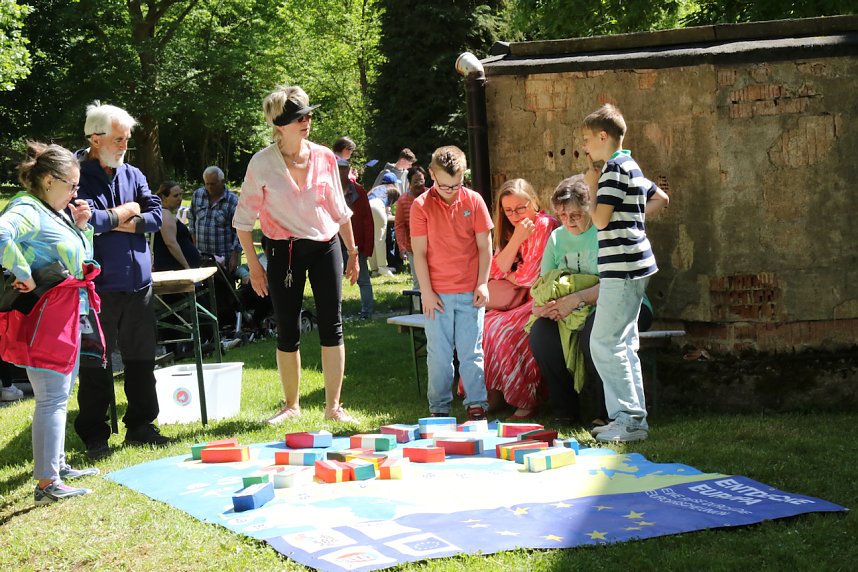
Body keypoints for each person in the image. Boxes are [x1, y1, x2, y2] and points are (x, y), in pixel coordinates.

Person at [233, 84, 360, 424]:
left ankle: (334, 408)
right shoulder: (261, 163)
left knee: (332, 325)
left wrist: (353, 251)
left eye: (308, 115)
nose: (307, 122)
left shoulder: (324, 157)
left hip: (325, 246)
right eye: (298, 118)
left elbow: (339, 209)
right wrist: (254, 268)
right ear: (279, 124)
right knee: (287, 329)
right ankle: (291, 406)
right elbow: (243, 222)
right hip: (283, 251)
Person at [0, 142, 100, 503]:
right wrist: (22, 271)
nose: (75, 192)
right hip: (44, 316)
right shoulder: (27, 208)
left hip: (64, 313)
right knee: (52, 398)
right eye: (71, 185)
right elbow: (1, 233)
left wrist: (82, 227)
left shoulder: (52, 210)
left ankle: (57, 466)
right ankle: (47, 483)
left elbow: (79, 259)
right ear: (47, 180)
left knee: (60, 393)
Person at [73, 102, 168, 460]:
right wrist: (130, 210)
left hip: (139, 285)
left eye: (127, 139)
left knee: (142, 360)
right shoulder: (76, 175)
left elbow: (157, 215)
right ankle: (95, 434)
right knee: (95, 363)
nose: (125, 146)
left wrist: (120, 219)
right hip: (97, 288)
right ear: (95, 139)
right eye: (119, 139)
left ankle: (141, 426)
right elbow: (88, 221)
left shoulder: (133, 173)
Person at [581, 103, 669, 442]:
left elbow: (600, 220)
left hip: (622, 268)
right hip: (635, 264)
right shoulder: (631, 165)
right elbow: (661, 198)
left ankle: (629, 421)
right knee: (623, 343)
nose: (585, 146)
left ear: (603, 136)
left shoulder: (613, 170)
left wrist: (592, 185)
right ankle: (629, 418)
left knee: (604, 342)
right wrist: (633, 220)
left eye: (587, 139)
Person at [410, 145, 492, 420]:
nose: (451, 191)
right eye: (445, 186)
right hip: (437, 295)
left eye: (456, 185)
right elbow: (419, 253)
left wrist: (482, 283)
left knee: (471, 352)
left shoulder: (474, 201)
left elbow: (484, 247)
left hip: (470, 292)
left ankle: (477, 404)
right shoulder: (421, 206)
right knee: (439, 355)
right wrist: (426, 292)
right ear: (432, 174)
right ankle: (439, 408)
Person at [482, 178, 559, 419]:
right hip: (518, 301)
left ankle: (525, 398)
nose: (514, 215)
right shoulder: (509, 229)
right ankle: (495, 393)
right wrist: (516, 238)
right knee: (485, 325)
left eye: (520, 208)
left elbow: (530, 277)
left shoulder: (544, 225)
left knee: (503, 330)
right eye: (508, 210)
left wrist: (509, 273)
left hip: (540, 299)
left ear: (534, 201)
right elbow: (493, 270)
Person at [187, 166, 242, 275]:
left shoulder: (232, 201)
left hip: (223, 257)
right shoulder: (197, 195)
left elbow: (239, 231)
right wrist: (193, 242)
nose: (209, 187)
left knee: (223, 285)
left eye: (213, 184)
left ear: (222, 182)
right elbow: (191, 218)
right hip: (201, 256)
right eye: (207, 184)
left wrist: (235, 255)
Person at [338, 157, 375, 319]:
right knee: (334, 281)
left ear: (348, 170)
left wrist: (367, 247)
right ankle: (335, 314)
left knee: (363, 279)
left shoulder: (359, 191)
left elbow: (368, 220)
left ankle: (367, 312)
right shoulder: (330, 190)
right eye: (338, 169)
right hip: (335, 243)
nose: (340, 172)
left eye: (343, 169)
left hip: (357, 242)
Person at [153, 181, 200, 271]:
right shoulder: (165, 214)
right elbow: (171, 243)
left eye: (180, 195)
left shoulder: (166, 213)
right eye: (175, 196)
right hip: (174, 268)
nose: (180, 198)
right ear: (164, 197)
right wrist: (186, 266)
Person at [394, 166, 427, 292]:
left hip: (433, 246)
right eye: (415, 181)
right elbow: (399, 225)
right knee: (418, 282)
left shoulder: (432, 196)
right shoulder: (403, 200)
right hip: (413, 248)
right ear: (409, 182)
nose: (419, 184)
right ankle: (418, 304)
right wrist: (402, 247)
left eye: (421, 180)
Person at [366, 172, 400, 276]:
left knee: (370, 239)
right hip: (377, 206)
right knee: (380, 238)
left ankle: (374, 269)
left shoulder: (374, 189)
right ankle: (382, 267)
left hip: (365, 208)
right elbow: (387, 212)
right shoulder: (393, 190)